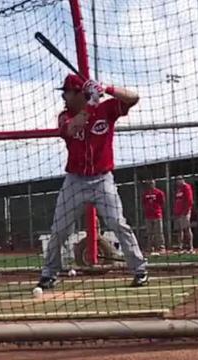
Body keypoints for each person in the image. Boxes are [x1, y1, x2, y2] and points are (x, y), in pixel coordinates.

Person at [37, 74, 148, 289]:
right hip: (74, 181)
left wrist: (106, 88)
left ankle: (140, 269)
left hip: (102, 179)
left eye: (67, 92)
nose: (64, 96)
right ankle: (50, 273)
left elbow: (133, 98)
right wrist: (90, 103)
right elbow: (72, 128)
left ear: (79, 93)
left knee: (118, 224)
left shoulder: (105, 110)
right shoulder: (65, 116)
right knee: (59, 229)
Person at [141, 179, 166, 255]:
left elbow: (162, 203)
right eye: (149, 184)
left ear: (154, 184)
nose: (151, 185)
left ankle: (161, 247)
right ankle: (150, 247)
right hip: (148, 216)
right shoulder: (145, 193)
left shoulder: (159, 192)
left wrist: (158, 210)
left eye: (152, 183)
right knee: (149, 233)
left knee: (159, 232)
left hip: (157, 214)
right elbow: (143, 203)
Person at [173, 177, 194, 252]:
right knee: (179, 230)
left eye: (179, 179)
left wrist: (186, 211)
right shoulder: (179, 189)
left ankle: (190, 246)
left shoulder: (186, 187)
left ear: (183, 180)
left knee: (187, 229)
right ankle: (180, 246)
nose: (178, 181)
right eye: (177, 180)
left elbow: (190, 200)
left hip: (184, 212)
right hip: (178, 213)